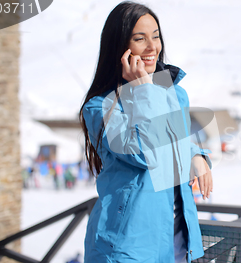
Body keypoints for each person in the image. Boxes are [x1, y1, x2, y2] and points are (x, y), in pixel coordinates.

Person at [78, 2, 213, 262]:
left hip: (176, 242)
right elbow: (142, 153)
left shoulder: (174, 94)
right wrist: (143, 90)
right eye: (140, 39)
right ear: (120, 46)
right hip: (126, 246)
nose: (152, 47)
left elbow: (172, 144)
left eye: (156, 36)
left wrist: (196, 154)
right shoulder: (99, 106)